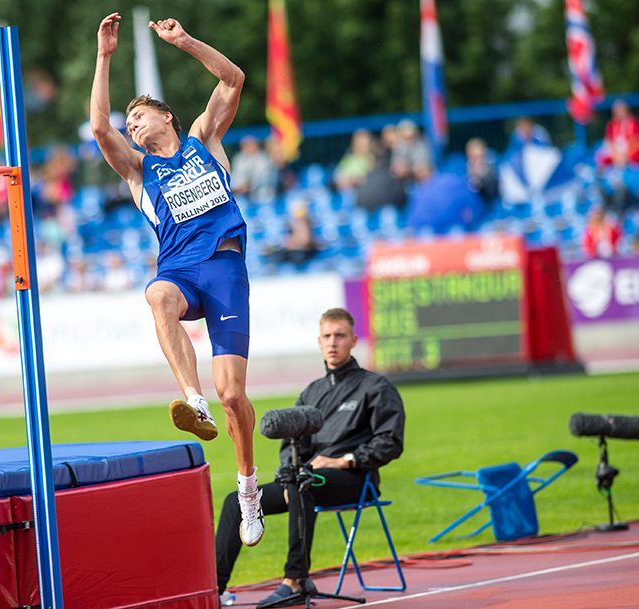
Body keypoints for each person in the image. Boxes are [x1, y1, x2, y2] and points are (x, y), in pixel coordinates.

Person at [90, 13, 266, 546]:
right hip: (179, 270)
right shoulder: (138, 171)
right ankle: (193, 400)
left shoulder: (203, 139)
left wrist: (185, 41)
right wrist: (104, 56)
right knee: (157, 294)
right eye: (130, 123)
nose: (132, 126)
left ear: (166, 116)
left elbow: (233, 79)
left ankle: (248, 485)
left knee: (234, 395)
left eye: (139, 116)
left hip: (225, 268)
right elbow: (99, 127)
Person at [215, 308, 405, 605]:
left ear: (354, 341)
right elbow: (291, 445)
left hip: (355, 478)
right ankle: (213, 589)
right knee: (235, 501)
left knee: (303, 483)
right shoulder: (312, 392)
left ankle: (295, 580)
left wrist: (344, 460)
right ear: (319, 342)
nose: (333, 342)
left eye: (340, 336)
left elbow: (391, 441)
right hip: (305, 479)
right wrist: (290, 472)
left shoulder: (376, 387)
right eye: (327, 336)